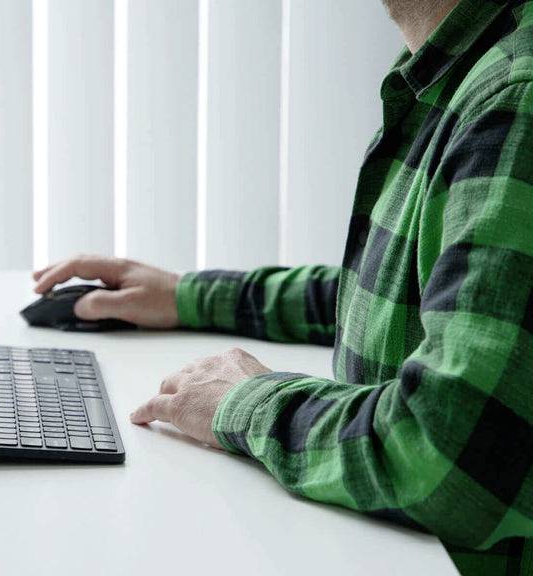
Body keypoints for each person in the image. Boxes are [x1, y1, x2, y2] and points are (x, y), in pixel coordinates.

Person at [34, 0, 533, 573]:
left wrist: (245, 402)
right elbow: (398, 300)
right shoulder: (459, 69)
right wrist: (185, 296)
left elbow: (451, 456)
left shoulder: (514, 96)